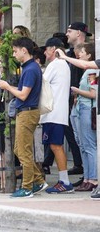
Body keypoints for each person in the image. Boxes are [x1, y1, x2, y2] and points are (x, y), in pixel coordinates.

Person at [0, 37, 47, 198]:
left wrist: (7, 86)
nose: (14, 54)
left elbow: (23, 94)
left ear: (24, 50)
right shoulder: (29, 67)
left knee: (23, 151)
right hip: (26, 111)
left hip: (27, 112)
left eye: (16, 51)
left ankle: (27, 187)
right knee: (19, 148)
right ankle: (37, 180)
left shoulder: (30, 69)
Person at [57, 43, 98, 192]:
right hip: (81, 108)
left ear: (89, 55)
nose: (79, 54)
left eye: (82, 52)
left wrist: (77, 91)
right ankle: (87, 178)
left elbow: (94, 94)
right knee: (83, 145)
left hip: (87, 108)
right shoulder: (87, 72)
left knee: (89, 145)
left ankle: (93, 179)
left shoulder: (92, 71)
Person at [40, 38, 73, 193]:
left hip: (53, 112)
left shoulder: (56, 64)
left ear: (53, 49)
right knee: (55, 145)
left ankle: (65, 181)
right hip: (57, 112)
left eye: (46, 49)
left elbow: (41, 83)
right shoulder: (63, 65)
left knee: (55, 145)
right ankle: (64, 180)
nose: (45, 53)